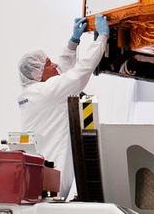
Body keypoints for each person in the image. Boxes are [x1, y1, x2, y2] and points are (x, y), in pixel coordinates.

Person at [17, 15, 109, 197]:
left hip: (41, 176)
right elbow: (79, 73)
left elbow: (62, 75)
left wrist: (72, 43)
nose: (55, 65)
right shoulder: (45, 92)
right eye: (48, 63)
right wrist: (102, 39)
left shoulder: (33, 93)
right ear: (37, 74)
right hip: (51, 176)